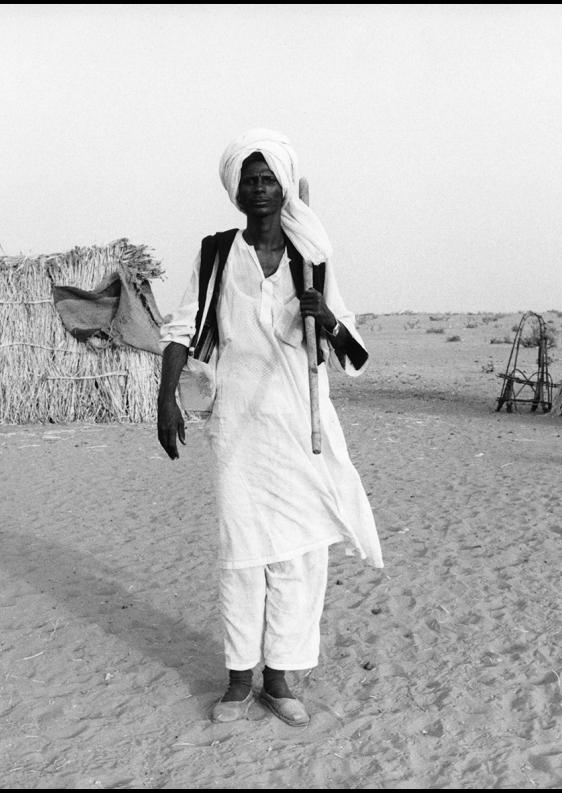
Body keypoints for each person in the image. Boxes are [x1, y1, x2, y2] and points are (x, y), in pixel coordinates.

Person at [156, 129, 383, 727]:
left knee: (300, 554)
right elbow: (181, 330)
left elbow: (350, 344)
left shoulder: (312, 256)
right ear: (236, 189)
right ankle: (237, 681)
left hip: (300, 423)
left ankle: (280, 680)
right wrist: (166, 400)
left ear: (283, 187)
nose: (259, 189)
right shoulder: (216, 253)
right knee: (241, 550)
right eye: (250, 180)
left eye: (269, 179)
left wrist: (325, 318)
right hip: (237, 426)